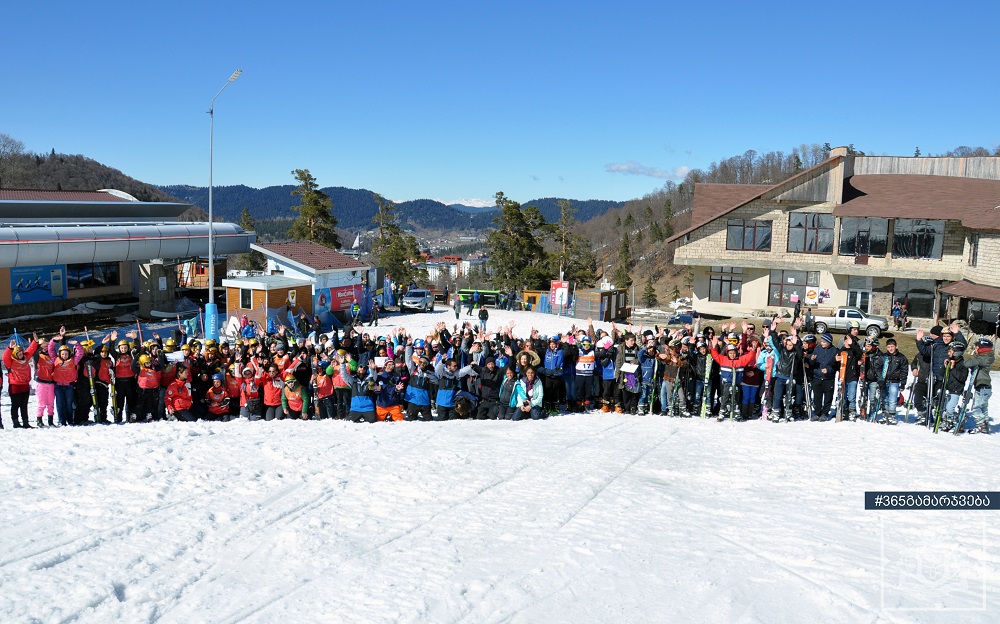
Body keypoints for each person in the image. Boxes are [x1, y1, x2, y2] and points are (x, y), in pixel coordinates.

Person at [4, 337, 39, 428]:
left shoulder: (25, 358)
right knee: (15, 405)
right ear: (14, 354)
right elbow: (5, 357)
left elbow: (30, 350)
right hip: (15, 387)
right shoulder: (11, 362)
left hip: (25, 386)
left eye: (21, 353)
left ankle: (25, 422)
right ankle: (16, 423)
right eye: (18, 353)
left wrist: (35, 342)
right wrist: (10, 348)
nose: (21, 354)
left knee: (24, 406)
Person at [963, 338, 994, 434]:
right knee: (983, 407)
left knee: (976, 408)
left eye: (977, 347)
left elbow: (967, 364)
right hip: (985, 387)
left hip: (982, 387)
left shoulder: (982, 359)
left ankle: (982, 425)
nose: (975, 348)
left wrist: (972, 355)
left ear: (982, 348)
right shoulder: (986, 357)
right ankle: (985, 425)